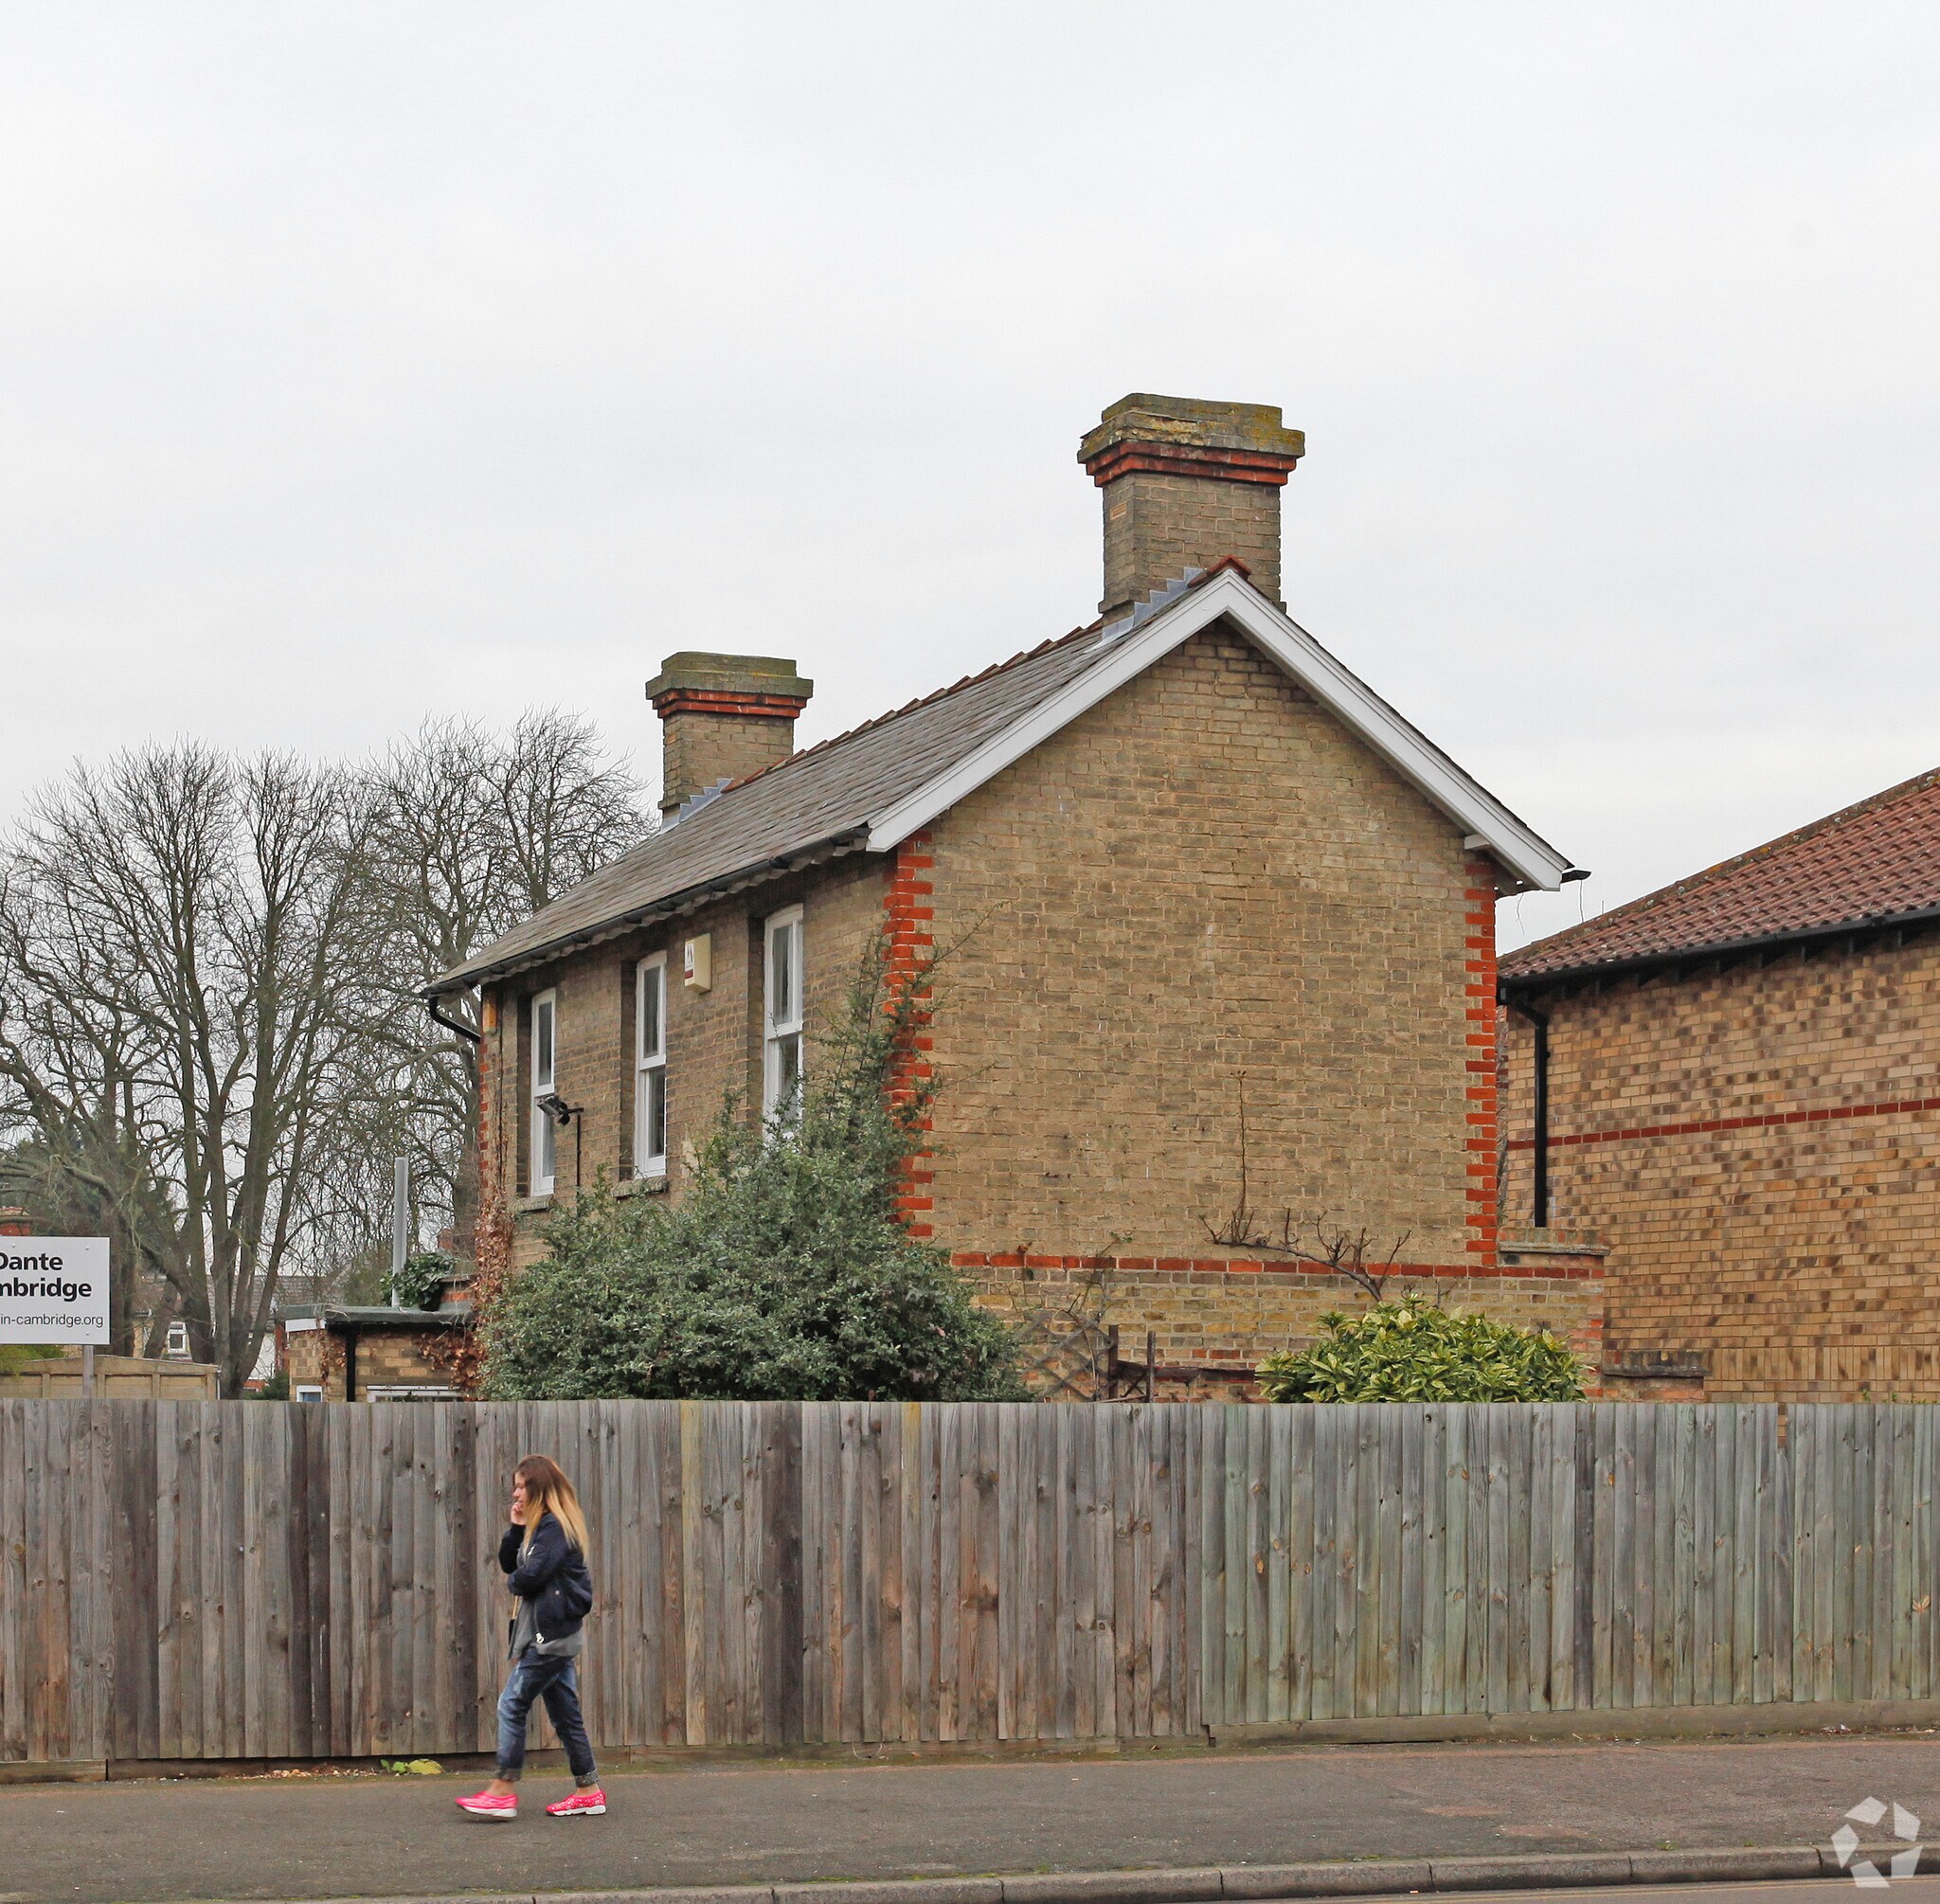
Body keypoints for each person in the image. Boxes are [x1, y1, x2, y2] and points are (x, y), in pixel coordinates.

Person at [457, 1454, 605, 1821]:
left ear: (538, 1487)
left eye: (522, 1485)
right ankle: (588, 1790)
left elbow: (527, 1577)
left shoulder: (555, 1528)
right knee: (566, 1716)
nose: (515, 1492)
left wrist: (517, 1579)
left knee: (512, 1704)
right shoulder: (541, 1528)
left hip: (550, 1639)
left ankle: (503, 1791)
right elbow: (511, 1563)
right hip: (552, 1636)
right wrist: (517, 1528)